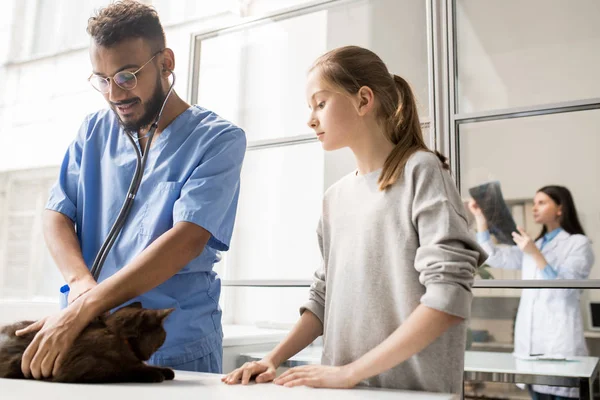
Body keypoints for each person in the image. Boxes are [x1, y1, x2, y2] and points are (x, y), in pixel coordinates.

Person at [222, 45, 486, 394]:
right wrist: (273, 358)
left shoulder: (422, 171)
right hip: (345, 393)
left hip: (411, 393)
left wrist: (348, 373)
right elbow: (323, 296)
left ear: (363, 100)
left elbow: (448, 296)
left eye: (320, 103)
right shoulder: (335, 197)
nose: (311, 118)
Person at [16, 0, 246, 379]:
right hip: (89, 339)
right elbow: (57, 213)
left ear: (166, 62)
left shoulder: (217, 140)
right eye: (102, 80)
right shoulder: (93, 132)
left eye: (127, 75)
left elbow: (186, 239)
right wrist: (80, 289)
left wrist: (84, 308)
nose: (114, 94)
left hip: (173, 345)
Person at [469, 185, 594, 399]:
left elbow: (566, 289)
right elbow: (494, 256)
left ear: (560, 209)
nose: (535, 208)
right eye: (534, 203)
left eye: (542, 202)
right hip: (530, 344)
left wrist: (534, 253)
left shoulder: (578, 244)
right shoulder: (535, 244)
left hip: (559, 344)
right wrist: (481, 220)